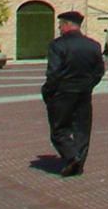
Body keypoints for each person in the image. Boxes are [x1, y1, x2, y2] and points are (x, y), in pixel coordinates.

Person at [40, 10, 103, 177]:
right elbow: (99, 71)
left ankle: (72, 157)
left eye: (60, 25)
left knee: (59, 131)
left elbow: (54, 72)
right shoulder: (93, 45)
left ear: (67, 25)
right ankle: (78, 162)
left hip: (63, 93)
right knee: (82, 129)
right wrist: (88, 85)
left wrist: (47, 90)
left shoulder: (57, 45)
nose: (59, 28)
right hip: (83, 92)